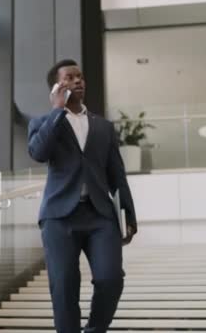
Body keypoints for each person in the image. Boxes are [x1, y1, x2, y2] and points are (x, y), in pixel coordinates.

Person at [28, 59, 138, 333]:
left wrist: (128, 215)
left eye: (80, 76)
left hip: (100, 216)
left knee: (111, 278)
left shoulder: (103, 127)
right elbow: (38, 153)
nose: (78, 81)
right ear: (56, 86)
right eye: (69, 77)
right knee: (64, 286)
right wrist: (57, 110)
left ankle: (95, 329)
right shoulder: (43, 122)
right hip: (58, 217)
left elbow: (117, 175)